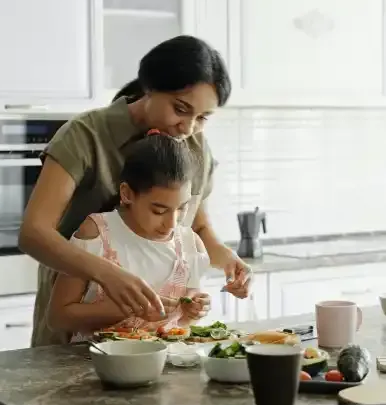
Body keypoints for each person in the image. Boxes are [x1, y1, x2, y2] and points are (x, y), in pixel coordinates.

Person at [19, 35, 252, 347]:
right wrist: (108, 275)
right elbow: (33, 233)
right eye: (180, 109)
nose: (188, 127)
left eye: (202, 118)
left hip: (156, 339)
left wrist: (226, 259)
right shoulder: (85, 135)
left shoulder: (195, 148)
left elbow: (196, 225)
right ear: (150, 87)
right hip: (74, 335)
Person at [47, 131, 211, 339]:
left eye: (182, 208)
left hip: (166, 365)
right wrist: (128, 309)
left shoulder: (190, 245)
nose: (171, 223)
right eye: (159, 211)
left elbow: (185, 323)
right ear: (126, 194)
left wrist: (195, 309)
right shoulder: (97, 233)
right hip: (95, 364)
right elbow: (58, 318)